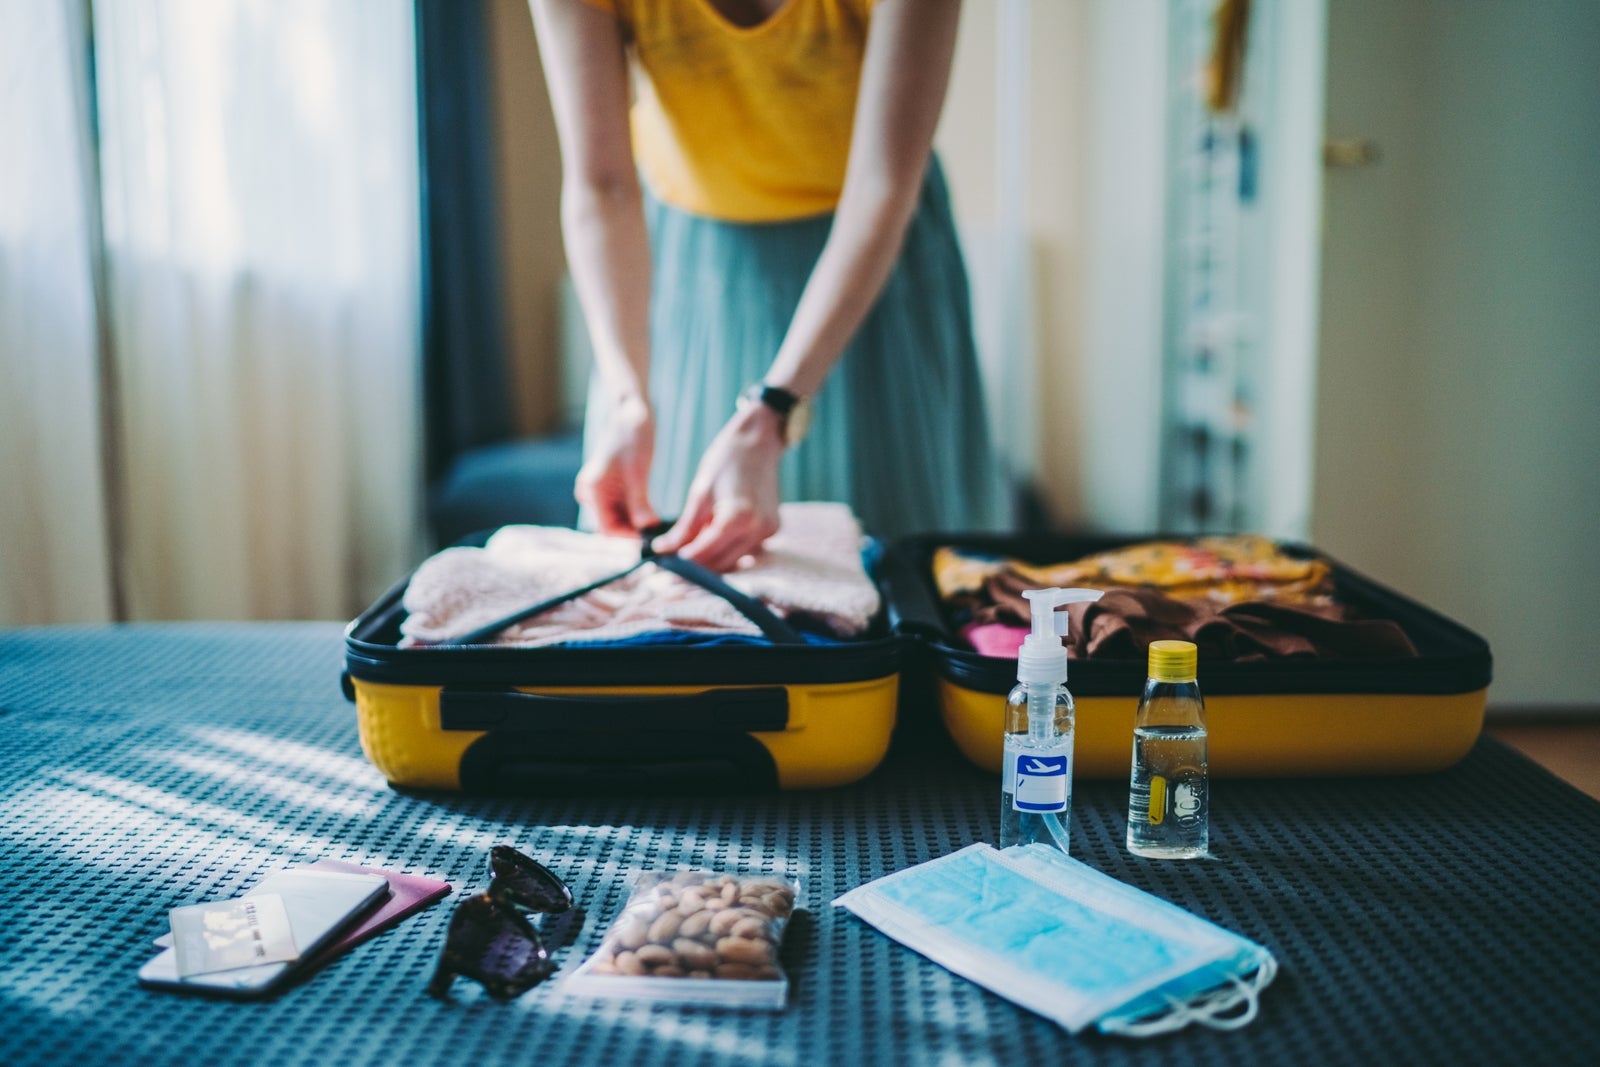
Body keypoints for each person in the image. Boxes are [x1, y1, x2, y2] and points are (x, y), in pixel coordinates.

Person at [530, 0, 1000, 572]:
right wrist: (629, 398)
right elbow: (602, 186)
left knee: (892, 563)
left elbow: (881, 186)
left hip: (874, 260)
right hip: (692, 262)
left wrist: (772, 411)